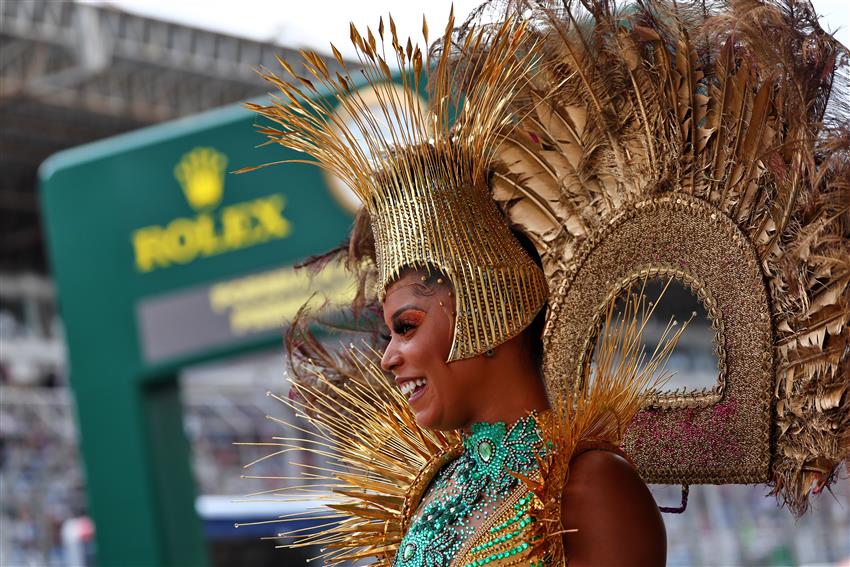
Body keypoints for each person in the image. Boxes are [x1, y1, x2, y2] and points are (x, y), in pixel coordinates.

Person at [240, 0, 849, 564]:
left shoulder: (590, 488)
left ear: (490, 308)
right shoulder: (432, 493)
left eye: (407, 327)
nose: (391, 358)